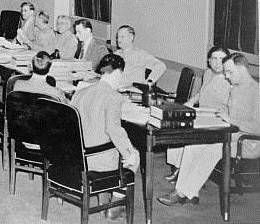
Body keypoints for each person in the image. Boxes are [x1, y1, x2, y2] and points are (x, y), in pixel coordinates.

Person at [158, 53, 260, 206]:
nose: (226, 76)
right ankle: (189, 192)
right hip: (229, 135)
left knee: (212, 150)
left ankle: (182, 193)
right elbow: (231, 111)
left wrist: (232, 120)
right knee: (193, 144)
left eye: (229, 72)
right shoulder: (236, 89)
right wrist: (221, 112)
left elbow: (257, 128)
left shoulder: (256, 92)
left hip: (247, 143)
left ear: (242, 69)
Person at [71, 53, 140, 220]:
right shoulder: (114, 96)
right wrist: (129, 152)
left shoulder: (80, 93)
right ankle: (116, 203)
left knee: (111, 143)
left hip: (75, 156)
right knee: (134, 155)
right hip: (96, 160)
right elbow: (114, 130)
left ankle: (104, 196)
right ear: (117, 73)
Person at [165, 46, 231, 182]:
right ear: (209, 60)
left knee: (190, 135)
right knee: (175, 127)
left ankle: (184, 173)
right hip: (202, 114)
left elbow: (228, 108)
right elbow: (200, 93)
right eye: (214, 58)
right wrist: (187, 105)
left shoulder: (229, 79)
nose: (218, 63)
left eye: (222, 59)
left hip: (216, 119)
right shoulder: (208, 73)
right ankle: (178, 167)